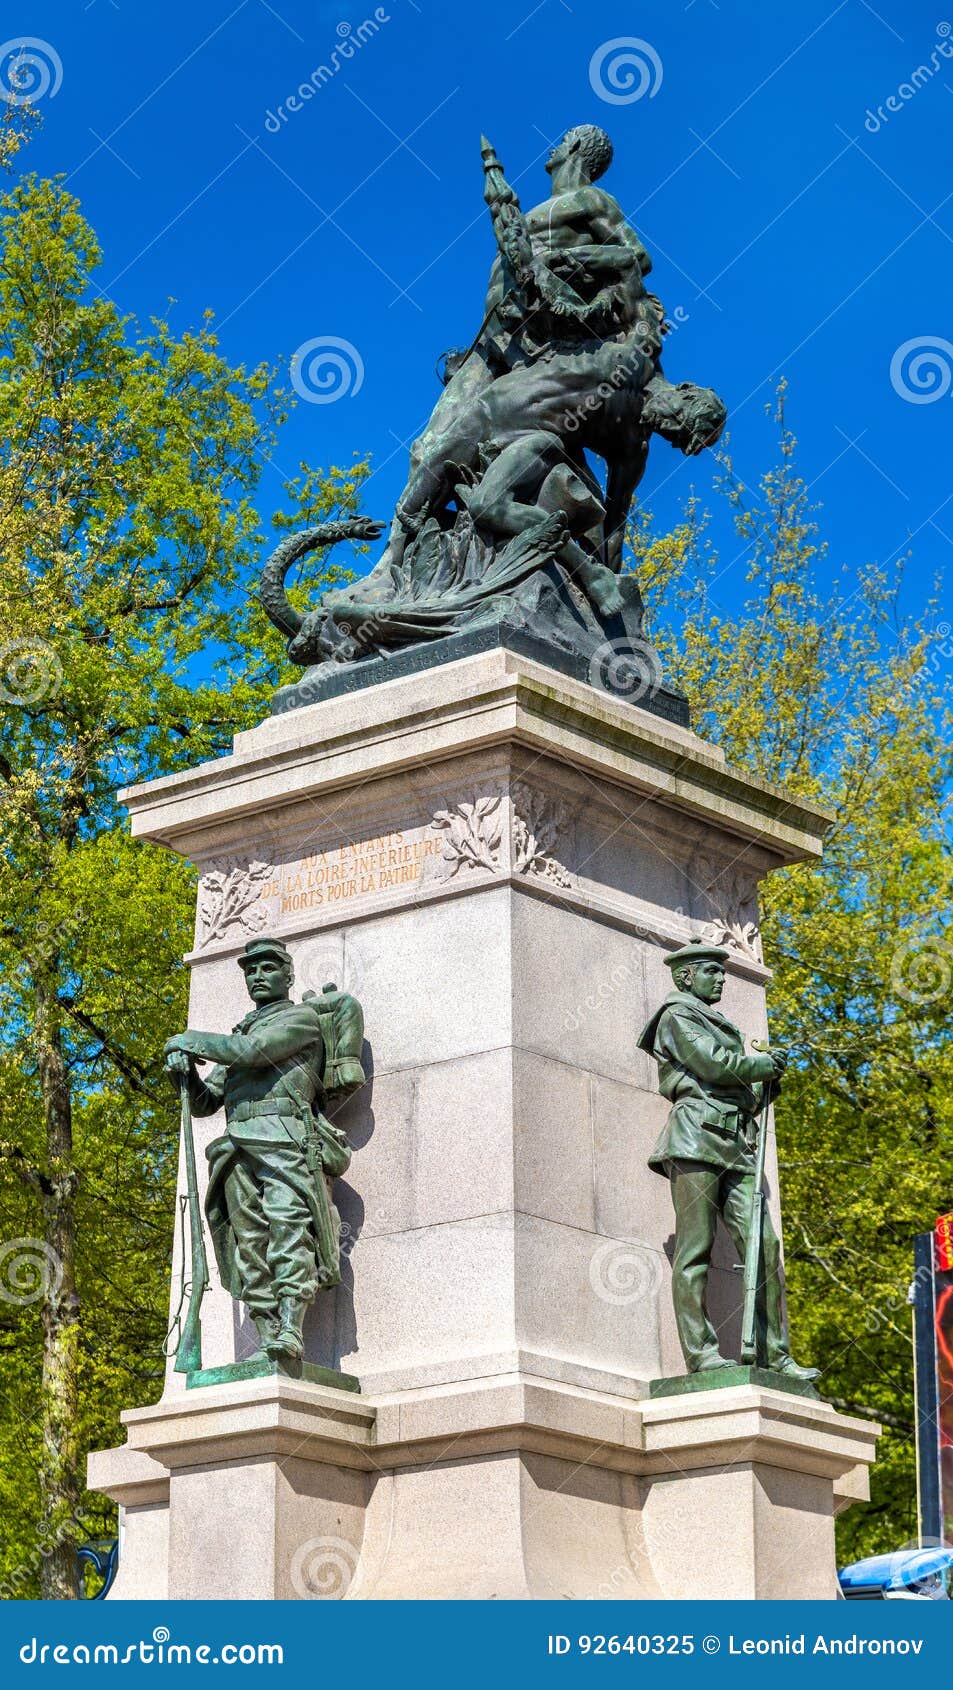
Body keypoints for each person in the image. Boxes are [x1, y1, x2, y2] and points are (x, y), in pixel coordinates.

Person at [164, 938, 357, 1363]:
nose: (257, 976)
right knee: (248, 1241)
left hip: (284, 1141)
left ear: (288, 976)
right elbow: (204, 1103)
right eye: (250, 970)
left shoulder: (299, 1020)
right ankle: (268, 1331)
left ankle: (292, 1327)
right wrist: (186, 1074)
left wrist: (189, 1040)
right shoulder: (240, 1034)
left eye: (267, 968)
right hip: (236, 1149)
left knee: (288, 1228)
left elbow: (255, 1053)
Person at [638, 938, 819, 1381]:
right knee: (695, 1250)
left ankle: (775, 1354)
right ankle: (701, 1354)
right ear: (686, 976)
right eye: (712, 971)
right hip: (695, 1138)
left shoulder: (720, 1022)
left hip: (736, 1144)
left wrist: (763, 1087)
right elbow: (712, 1064)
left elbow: (737, 1087)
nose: (721, 978)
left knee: (765, 1246)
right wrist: (759, 1066)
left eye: (722, 972)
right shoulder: (676, 1015)